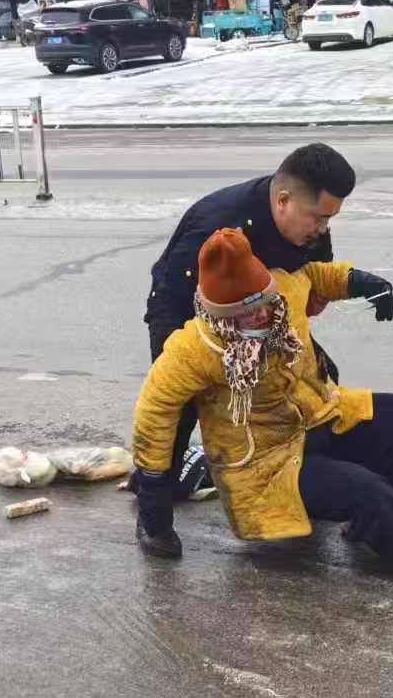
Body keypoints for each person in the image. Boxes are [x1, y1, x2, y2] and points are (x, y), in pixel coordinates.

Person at [130, 228, 393, 575]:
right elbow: (154, 416)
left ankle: (377, 528)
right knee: (361, 487)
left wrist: (362, 282)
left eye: (265, 301)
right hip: (266, 466)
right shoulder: (192, 350)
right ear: (221, 314)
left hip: (318, 420)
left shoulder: (280, 298)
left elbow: (312, 276)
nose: (263, 313)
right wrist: (154, 510)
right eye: (247, 312)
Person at [143, 143, 358, 496]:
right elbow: (171, 302)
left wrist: (314, 297)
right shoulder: (216, 224)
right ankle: (156, 501)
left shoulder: (309, 221)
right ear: (283, 200)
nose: (322, 228)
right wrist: (192, 365)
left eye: (329, 219)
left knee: (321, 375)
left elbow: (314, 271)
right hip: (188, 312)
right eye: (318, 218)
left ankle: (302, 481)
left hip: (266, 315)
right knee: (180, 410)